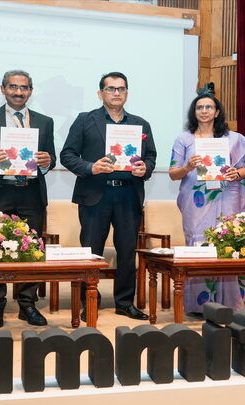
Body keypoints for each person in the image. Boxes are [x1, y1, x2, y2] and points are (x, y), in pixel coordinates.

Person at [60, 72, 156, 321]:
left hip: (128, 194)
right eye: (111, 89)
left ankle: (125, 303)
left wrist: (145, 168)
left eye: (121, 89)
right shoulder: (85, 120)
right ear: (100, 93)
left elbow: (151, 156)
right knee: (91, 251)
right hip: (95, 194)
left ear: (127, 93)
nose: (116, 93)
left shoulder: (140, 124)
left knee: (127, 252)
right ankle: (89, 301)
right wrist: (90, 167)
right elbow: (67, 155)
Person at [0, 70, 55, 328]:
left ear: (31, 90)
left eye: (24, 88)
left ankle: (28, 304)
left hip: (31, 192)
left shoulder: (45, 121)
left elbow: (50, 157)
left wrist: (48, 161)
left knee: (33, 249)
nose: (19, 92)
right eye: (13, 87)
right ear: (3, 88)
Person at [168, 92, 245, 313]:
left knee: (228, 244)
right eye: (199, 107)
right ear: (194, 112)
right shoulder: (184, 139)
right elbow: (173, 173)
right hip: (196, 201)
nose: (204, 111)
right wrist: (188, 166)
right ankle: (200, 305)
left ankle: (230, 304)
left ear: (217, 112)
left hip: (228, 197)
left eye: (208, 107)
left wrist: (238, 173)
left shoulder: (233, 139)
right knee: (199, 245)